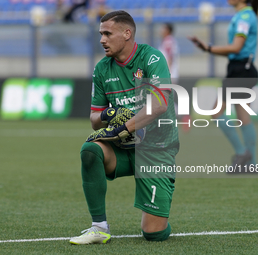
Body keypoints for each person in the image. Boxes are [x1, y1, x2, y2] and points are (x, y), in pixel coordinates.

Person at [69, 10, 179, 244]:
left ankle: (162, 203)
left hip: (155, 150)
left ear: (127, 33)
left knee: (154, 234)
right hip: (123, 150)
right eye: (101, 34)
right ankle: (99, 227)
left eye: (108, 34)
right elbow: (95, 118)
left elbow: (160, 104)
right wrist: (110, 114)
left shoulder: (151, 58)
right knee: (90, 150)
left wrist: (123, 127)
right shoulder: (102, 69)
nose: (102, 40)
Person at [189, 0, 258, 170]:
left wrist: (209, 48)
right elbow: (236, 51)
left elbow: (236, 48)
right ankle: (251, 164)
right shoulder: (245, 15)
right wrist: (208, 49)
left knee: (216, 111)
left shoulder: (244, 17)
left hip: (241, 70)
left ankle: (242, 153)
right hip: (243, 68)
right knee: (243, 117)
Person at [159, 23, 191, 133]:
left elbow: (170, 57)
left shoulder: (168, 41)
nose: (161, 31)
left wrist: (166, 73)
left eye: (163, 28)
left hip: (169, 74)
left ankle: (183, 117)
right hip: (171, 73)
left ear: (167, 30)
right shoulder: (169, 41)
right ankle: (183, 117)